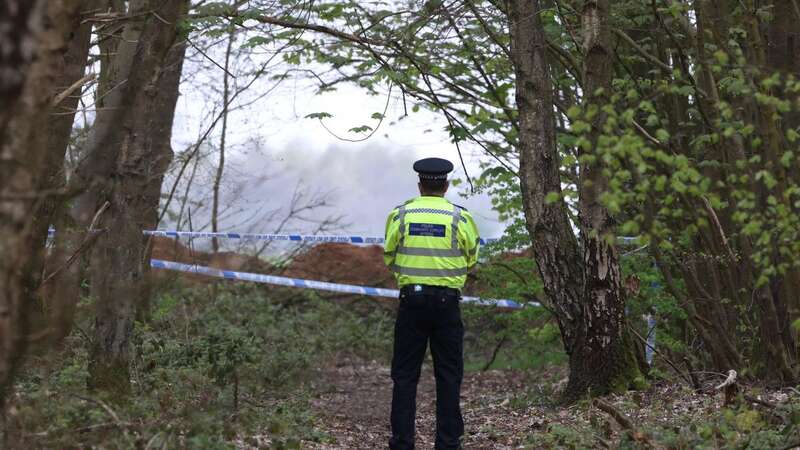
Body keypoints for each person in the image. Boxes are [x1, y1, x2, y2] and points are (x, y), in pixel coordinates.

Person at [383, 157, 480, 450]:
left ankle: (402, 442)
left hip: (411, 302)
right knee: (449, 375)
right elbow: (471, 256)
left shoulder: (400, 215)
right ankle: (448, 444)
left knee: (404, 376)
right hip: (447, 304)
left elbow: (390, 255)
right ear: (446, 186)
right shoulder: (460, 218)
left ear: (419, 185)